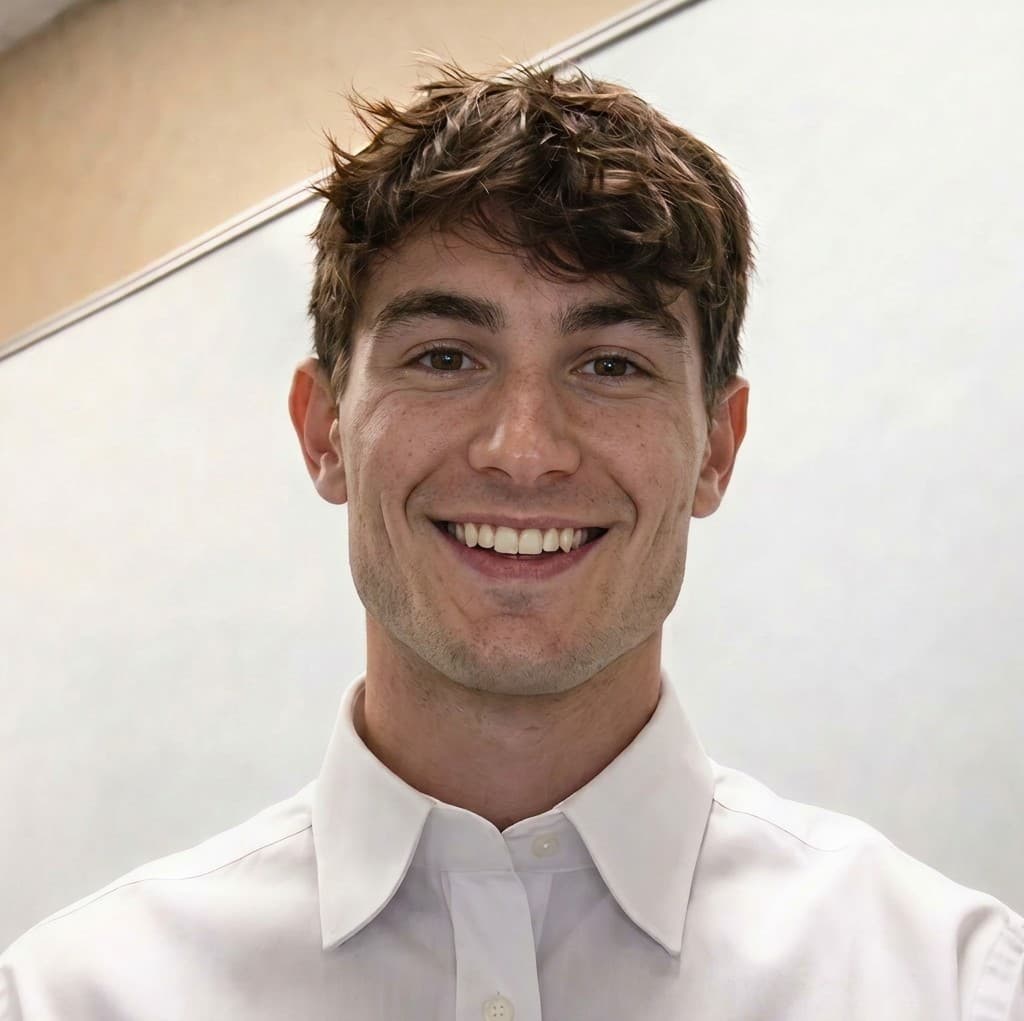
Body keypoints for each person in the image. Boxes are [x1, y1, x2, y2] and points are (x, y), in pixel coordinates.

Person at [2, 60, 1021, 1021]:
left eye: (611, 365)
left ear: (716, 446)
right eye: (445, 356)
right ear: (324, 432)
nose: (523, 450)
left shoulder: (945, 983)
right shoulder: (71, 998)